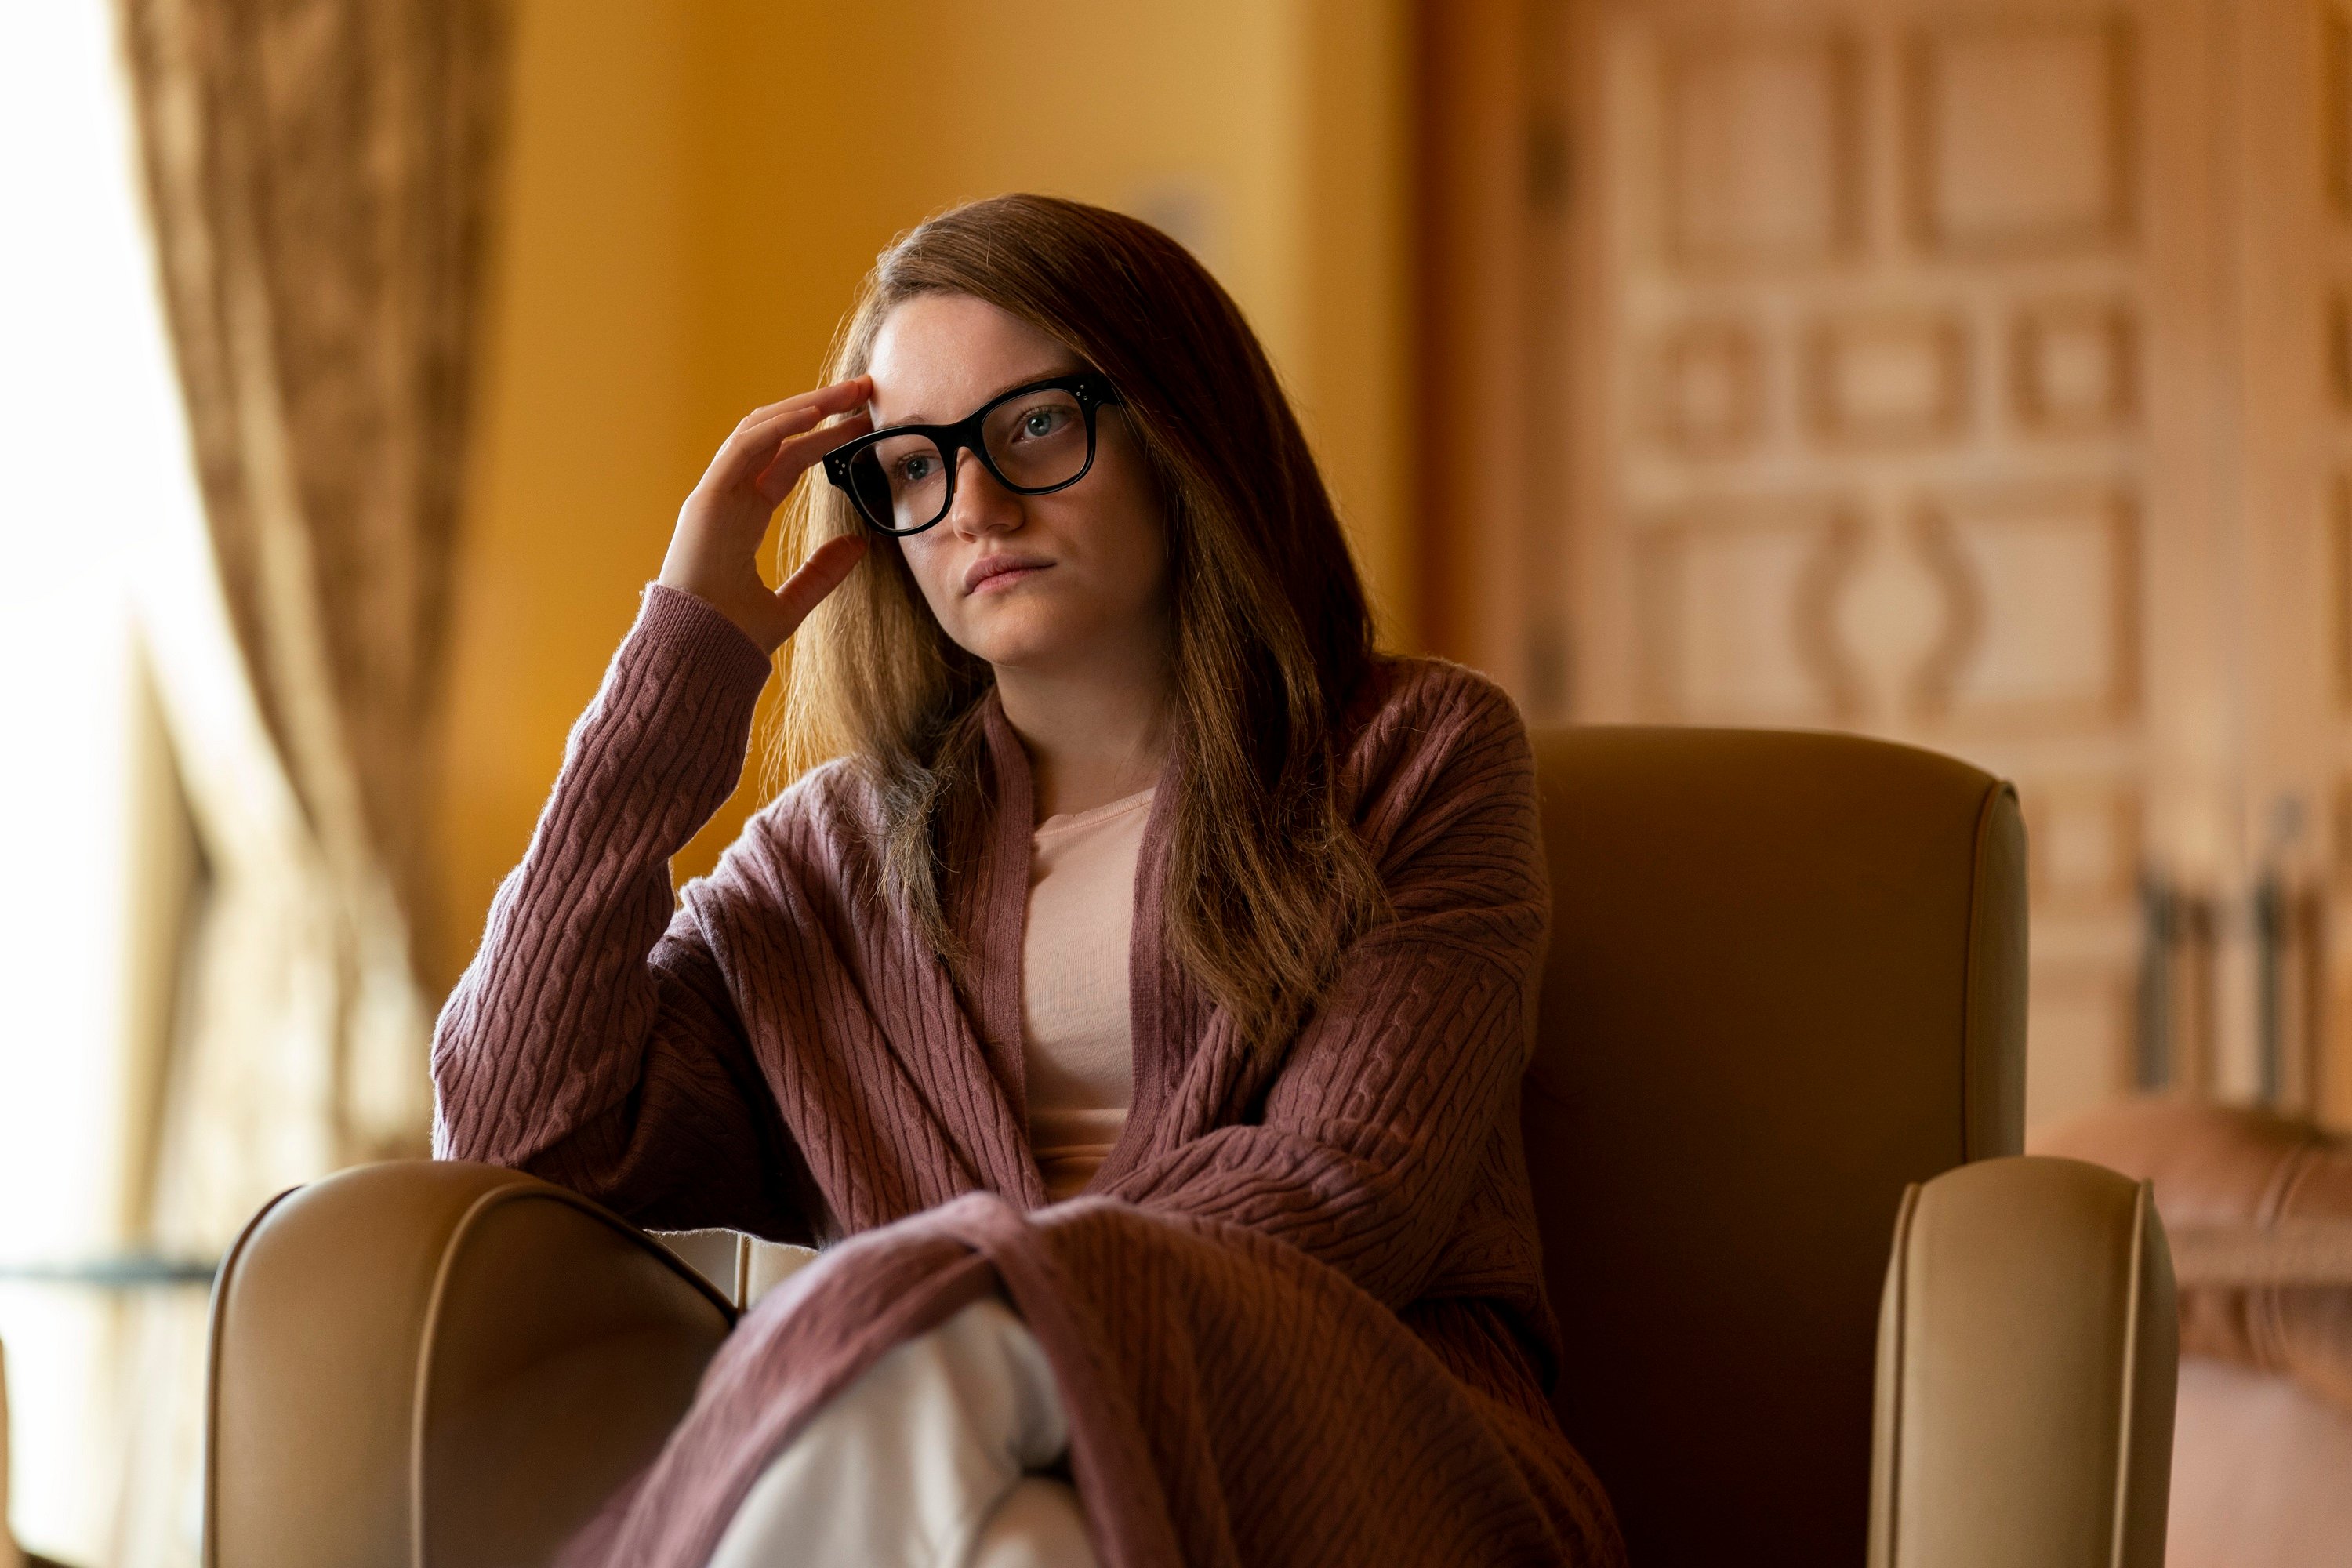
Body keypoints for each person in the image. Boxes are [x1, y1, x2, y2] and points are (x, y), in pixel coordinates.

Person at [433, 194, 1622, 1568]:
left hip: (1352, 1464)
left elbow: (1348, 1195)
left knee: (919, 1351)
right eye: (911, 466)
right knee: (1020, 1540)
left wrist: (953, 1300)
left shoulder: (1418, 759)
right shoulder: (826, 869)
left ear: (1179, 427)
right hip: (965, 1492)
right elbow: (519, 1124)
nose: (975, 505)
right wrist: (681, 666)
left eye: (1037, 425)